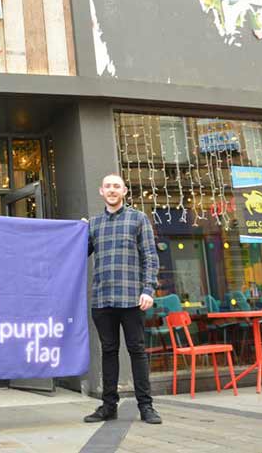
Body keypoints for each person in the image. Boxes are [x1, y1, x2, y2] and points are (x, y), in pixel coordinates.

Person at [83, 174, 162, 425]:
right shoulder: (93, 224)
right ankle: (108, 406)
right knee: (108, 352)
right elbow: (78, 254)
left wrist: (148, 289)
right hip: (103, 299)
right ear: (101, 191)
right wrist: (76, 232)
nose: (112, 190)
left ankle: (146, 406)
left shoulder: (138, 219)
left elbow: (150, 256)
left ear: (124, 191)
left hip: (132, 298)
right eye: (108, 186)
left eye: (116, 186)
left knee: (137, 351)